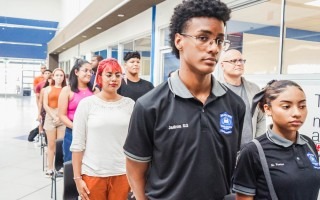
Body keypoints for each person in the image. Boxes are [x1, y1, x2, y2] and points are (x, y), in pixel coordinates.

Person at [123, 0, 245, 199]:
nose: (214, 48)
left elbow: (228, 164)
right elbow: (135, 168)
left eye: (219, 40)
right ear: (179, 41)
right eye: (203, 38)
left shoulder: (235, 105)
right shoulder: (149, 105)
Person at [232, 80, 320, 200]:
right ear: (268, 109)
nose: (297, 113)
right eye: (286, 106)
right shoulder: (253, 151)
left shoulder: (308, 144)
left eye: (302, 106)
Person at [70, 58, 135, 200]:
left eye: (118, 75)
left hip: (122, 173)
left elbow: (135, 143)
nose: (114, 79)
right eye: (109, 74)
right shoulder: (87, 104)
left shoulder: (130, 104)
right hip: (93, 173)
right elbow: (78, 144)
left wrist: (136, 176)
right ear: (99, 77)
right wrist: (77, 178)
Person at [219, 49, 266, 146]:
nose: (239, 63)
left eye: (241, 60)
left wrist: (257, 143)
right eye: (233, 61)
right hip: (223, 150)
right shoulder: (214, 89)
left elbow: (261, 118)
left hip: (248, 150)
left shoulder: (254, 89)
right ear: (222, 65)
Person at [58, 59, 96, 163]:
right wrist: (77, 128)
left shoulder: (95, 91)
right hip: (72, 132)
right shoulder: (67, 90)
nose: (89, 74)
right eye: (85, 70)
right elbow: (62, 115)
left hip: (92, 133)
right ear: (76, 72)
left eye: (91, 71)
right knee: (72, 165)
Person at [43, 68, 67, 177]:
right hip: (50, 117)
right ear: (53, 77)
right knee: (51, 144)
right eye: (57, 75)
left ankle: (60, 166)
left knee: (61, 145)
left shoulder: (66, 89)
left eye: (61, 75)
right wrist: (54, 116)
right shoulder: (47, 89)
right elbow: (45, 105)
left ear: (64, 77)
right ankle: (50, 168)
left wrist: (60, 117)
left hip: (62, 117)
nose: (59, 77)